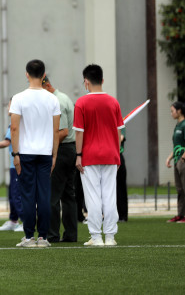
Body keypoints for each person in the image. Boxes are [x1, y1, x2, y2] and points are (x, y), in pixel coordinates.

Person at [10, 59, 60, 248]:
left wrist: (15, 153)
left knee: (28, 196)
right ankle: (43, 237)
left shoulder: (19, 98)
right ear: (44, 74)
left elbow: (14, 128)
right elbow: (56, 130)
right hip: (45, 152)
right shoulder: (52, 99)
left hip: (26, 152)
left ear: (26, 74)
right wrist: (54, 155)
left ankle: (29, 236)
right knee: (44, 195)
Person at [74, 64, 125, 246]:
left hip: (89, 155)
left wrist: (78, 155)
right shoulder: (113, 102)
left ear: (86, 82)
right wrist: (117, 154)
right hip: (111, 154)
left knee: (93, 196)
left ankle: (96, 236)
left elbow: (79, 132)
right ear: (102, 80)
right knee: (110, 195)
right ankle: (110, 236)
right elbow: (118, 132)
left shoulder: (81, 103)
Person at [42, 75, 78, 243]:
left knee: (52, 195)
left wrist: (51, 149)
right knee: (68, 195)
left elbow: (62, 131)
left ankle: (52, 234)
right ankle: (71, 234)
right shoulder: (64, 98)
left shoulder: (58, 101)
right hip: (70, 149)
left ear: (48, 85)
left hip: (62, 149)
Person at [0, 99, 24, 232]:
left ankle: (25, 221)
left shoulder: (15, 123)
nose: (8, 108)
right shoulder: (13, 122)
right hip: (14, 165)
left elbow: (7, 142)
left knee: (17, 194)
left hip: (18, 164)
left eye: (10, 106)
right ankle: (13, 220)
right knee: (12, 194)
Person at [166, 101, 185, 223]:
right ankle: (180, 215)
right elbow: (176, 145)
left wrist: (183, 157)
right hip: (177, 160)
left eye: (172, 111)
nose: (171, 113)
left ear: (179, 111)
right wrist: (169, 158)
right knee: (180, 189)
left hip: (183, 160)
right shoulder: (177, 126)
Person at [117, 129, 128, 222]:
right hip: (107, 157)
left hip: (118, 156)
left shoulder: (120, 125)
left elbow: (121, 138)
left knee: (120, 187)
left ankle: (123, 215)